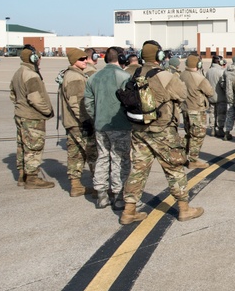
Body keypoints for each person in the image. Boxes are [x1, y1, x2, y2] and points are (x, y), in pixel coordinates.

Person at [120, 41, 203, 224]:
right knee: (174, 168)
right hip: (162, 130)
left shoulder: (134, 74)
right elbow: (182, 94)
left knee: (138, 170)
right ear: (159, 57)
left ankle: (128, 211)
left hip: (139, 129)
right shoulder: (165, 75)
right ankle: (184, 208)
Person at [84, 47, 131, 209]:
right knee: (120, 158)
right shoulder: (125, 77)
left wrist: (97, 117)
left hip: (100, 125)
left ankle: (101, 194)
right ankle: (118, 195)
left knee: (102, 157)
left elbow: (88, 103)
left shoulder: (93, 78)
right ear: (121, 59)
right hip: (120, 124)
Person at [9, 45, 55, 189]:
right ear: (34, 58)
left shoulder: (18, 72)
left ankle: (22, 175)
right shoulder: (31, 75)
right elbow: (35, 98)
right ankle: (32, 178)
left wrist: (20, 106)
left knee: (22, 146)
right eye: (39, 57)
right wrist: (47, 111)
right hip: (32, 117)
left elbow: (12, 95)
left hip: (20, 114)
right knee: (34, 148)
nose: (40, 59)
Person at [60, 48, 98, 197]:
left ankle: (75, 186)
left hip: (72, 123)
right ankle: (99, 187)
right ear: (74, 61)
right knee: (93, 154)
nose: (85, 61)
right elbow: (76, 103)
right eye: (81, 59)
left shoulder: (71, 74)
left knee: (75, 154)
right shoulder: (75, 77)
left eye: (85, 58)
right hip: (80, 123)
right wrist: (86, 120)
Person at [181, 55, 215, 169]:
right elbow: (210, 92)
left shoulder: (182, 75)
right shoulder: (199, 78)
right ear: (198, 65)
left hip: (185, 108)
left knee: (189, 134)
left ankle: (184, 156)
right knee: (198, 136)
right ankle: (193, 159)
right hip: (196, 109)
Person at [221, 55, 235, 141]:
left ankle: (227, 132)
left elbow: (222, 83)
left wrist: (227, 90)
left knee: (230, 115)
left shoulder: (227, 71)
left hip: (229, 97)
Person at [206, 55, 226, 137]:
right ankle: (220, 129)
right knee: (220, 114)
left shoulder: (208, 71)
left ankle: (213, 129)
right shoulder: (221, 71)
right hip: (220, 97)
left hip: (210, 96)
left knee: (212, 113)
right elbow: (223, 84)